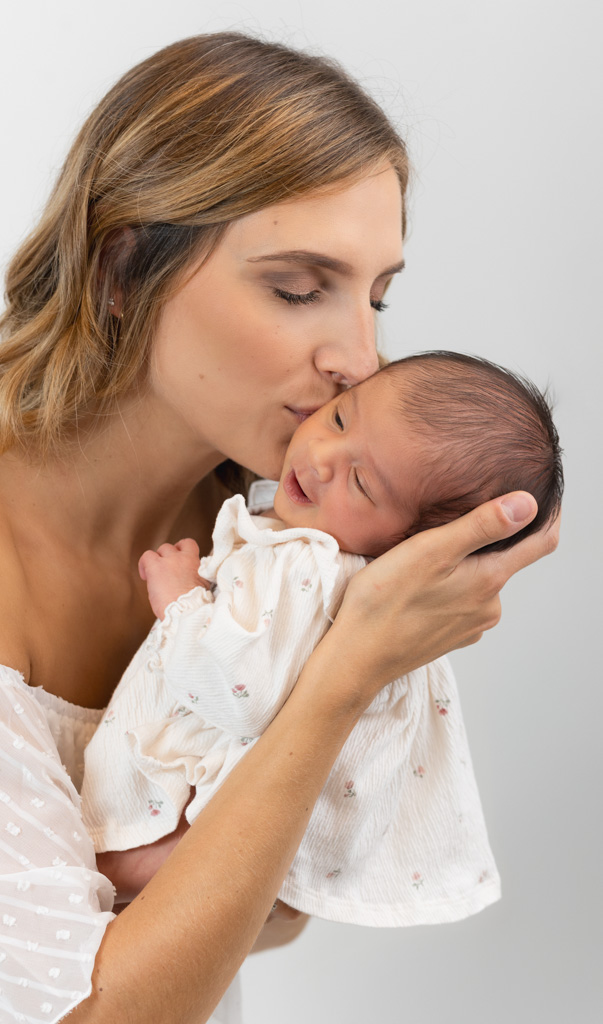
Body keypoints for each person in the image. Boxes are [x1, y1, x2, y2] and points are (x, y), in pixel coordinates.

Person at [0, 32, 558, 1024]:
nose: (361, 356)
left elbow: (282, 907)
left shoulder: (261, 541)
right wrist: (345, 672)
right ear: (121, 269)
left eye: (378, 295)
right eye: (298, 289)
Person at [81, 351, 562, 927]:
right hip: (271, 817)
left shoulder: (306, 566)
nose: (322, 457)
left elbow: (241, 694)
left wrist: (179, 600)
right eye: (338, 418)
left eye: (361, 481)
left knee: (116, 843)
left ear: (408, 544)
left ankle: (162, 852)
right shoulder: (328, 554)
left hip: (204, 811)